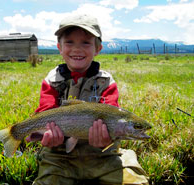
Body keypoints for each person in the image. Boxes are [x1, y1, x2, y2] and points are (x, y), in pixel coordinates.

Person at [27, 14, 149, 185]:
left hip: (103, 156)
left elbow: (111, 110)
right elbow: (45, 113)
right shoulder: (51, 81)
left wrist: (106, 139)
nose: (77, 49)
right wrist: (46, 135)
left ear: (97, 49)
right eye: (69, 42)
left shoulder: (106, 82)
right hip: (59, 157)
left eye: (85, 42)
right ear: (59, 47)